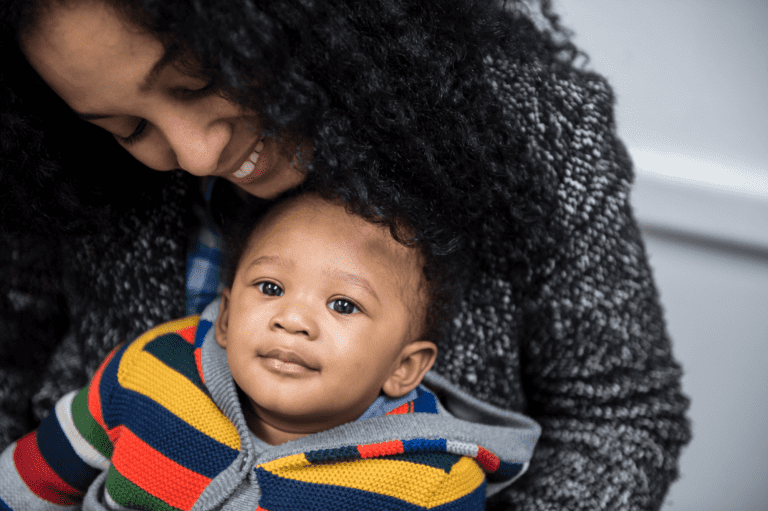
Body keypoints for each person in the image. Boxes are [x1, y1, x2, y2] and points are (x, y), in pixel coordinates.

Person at [0, 0, 691, 509]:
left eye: (198, 80)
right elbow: (12, 355)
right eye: (129, 128)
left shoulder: (528, 129)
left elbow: (619, 415)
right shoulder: (66, 165)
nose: (196, 153)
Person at [0, 191, 541, 510]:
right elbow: (32, 478)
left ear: (404, 368)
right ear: (230, 316)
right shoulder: (150, 370)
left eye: (344, 305)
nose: (292, 319)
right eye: (271, 288)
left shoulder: (433, 482)